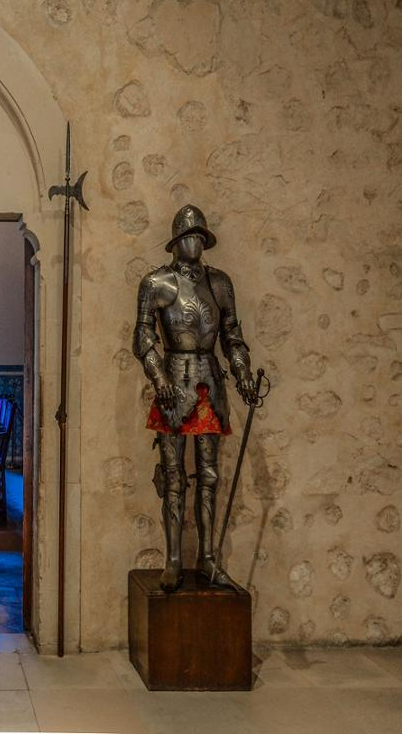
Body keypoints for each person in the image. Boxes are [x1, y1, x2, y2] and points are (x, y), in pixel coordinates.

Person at [132, 205, 257, 592]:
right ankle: (173, 561)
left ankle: (207, 558)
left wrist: (243, 374)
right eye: (190, 236)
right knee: (173, 478)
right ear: (176, 241)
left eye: (201, 237)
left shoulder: (220, 283)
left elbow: (232, 336)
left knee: (209, 476)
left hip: (210, 383)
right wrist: (158, 376)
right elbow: (143, 337)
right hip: (173, 383)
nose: (196, 243)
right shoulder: (156, 283)